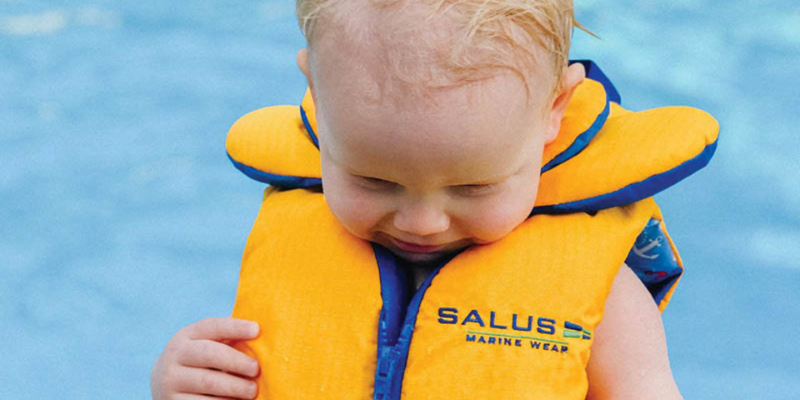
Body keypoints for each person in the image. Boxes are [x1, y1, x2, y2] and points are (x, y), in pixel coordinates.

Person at [152, 0, 718, 399]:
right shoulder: (297, 240)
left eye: (473, 187)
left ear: (554, 111)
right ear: (317, 100)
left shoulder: (604, 297)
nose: (422, 221)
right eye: (375, 181)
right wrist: (181, 381)